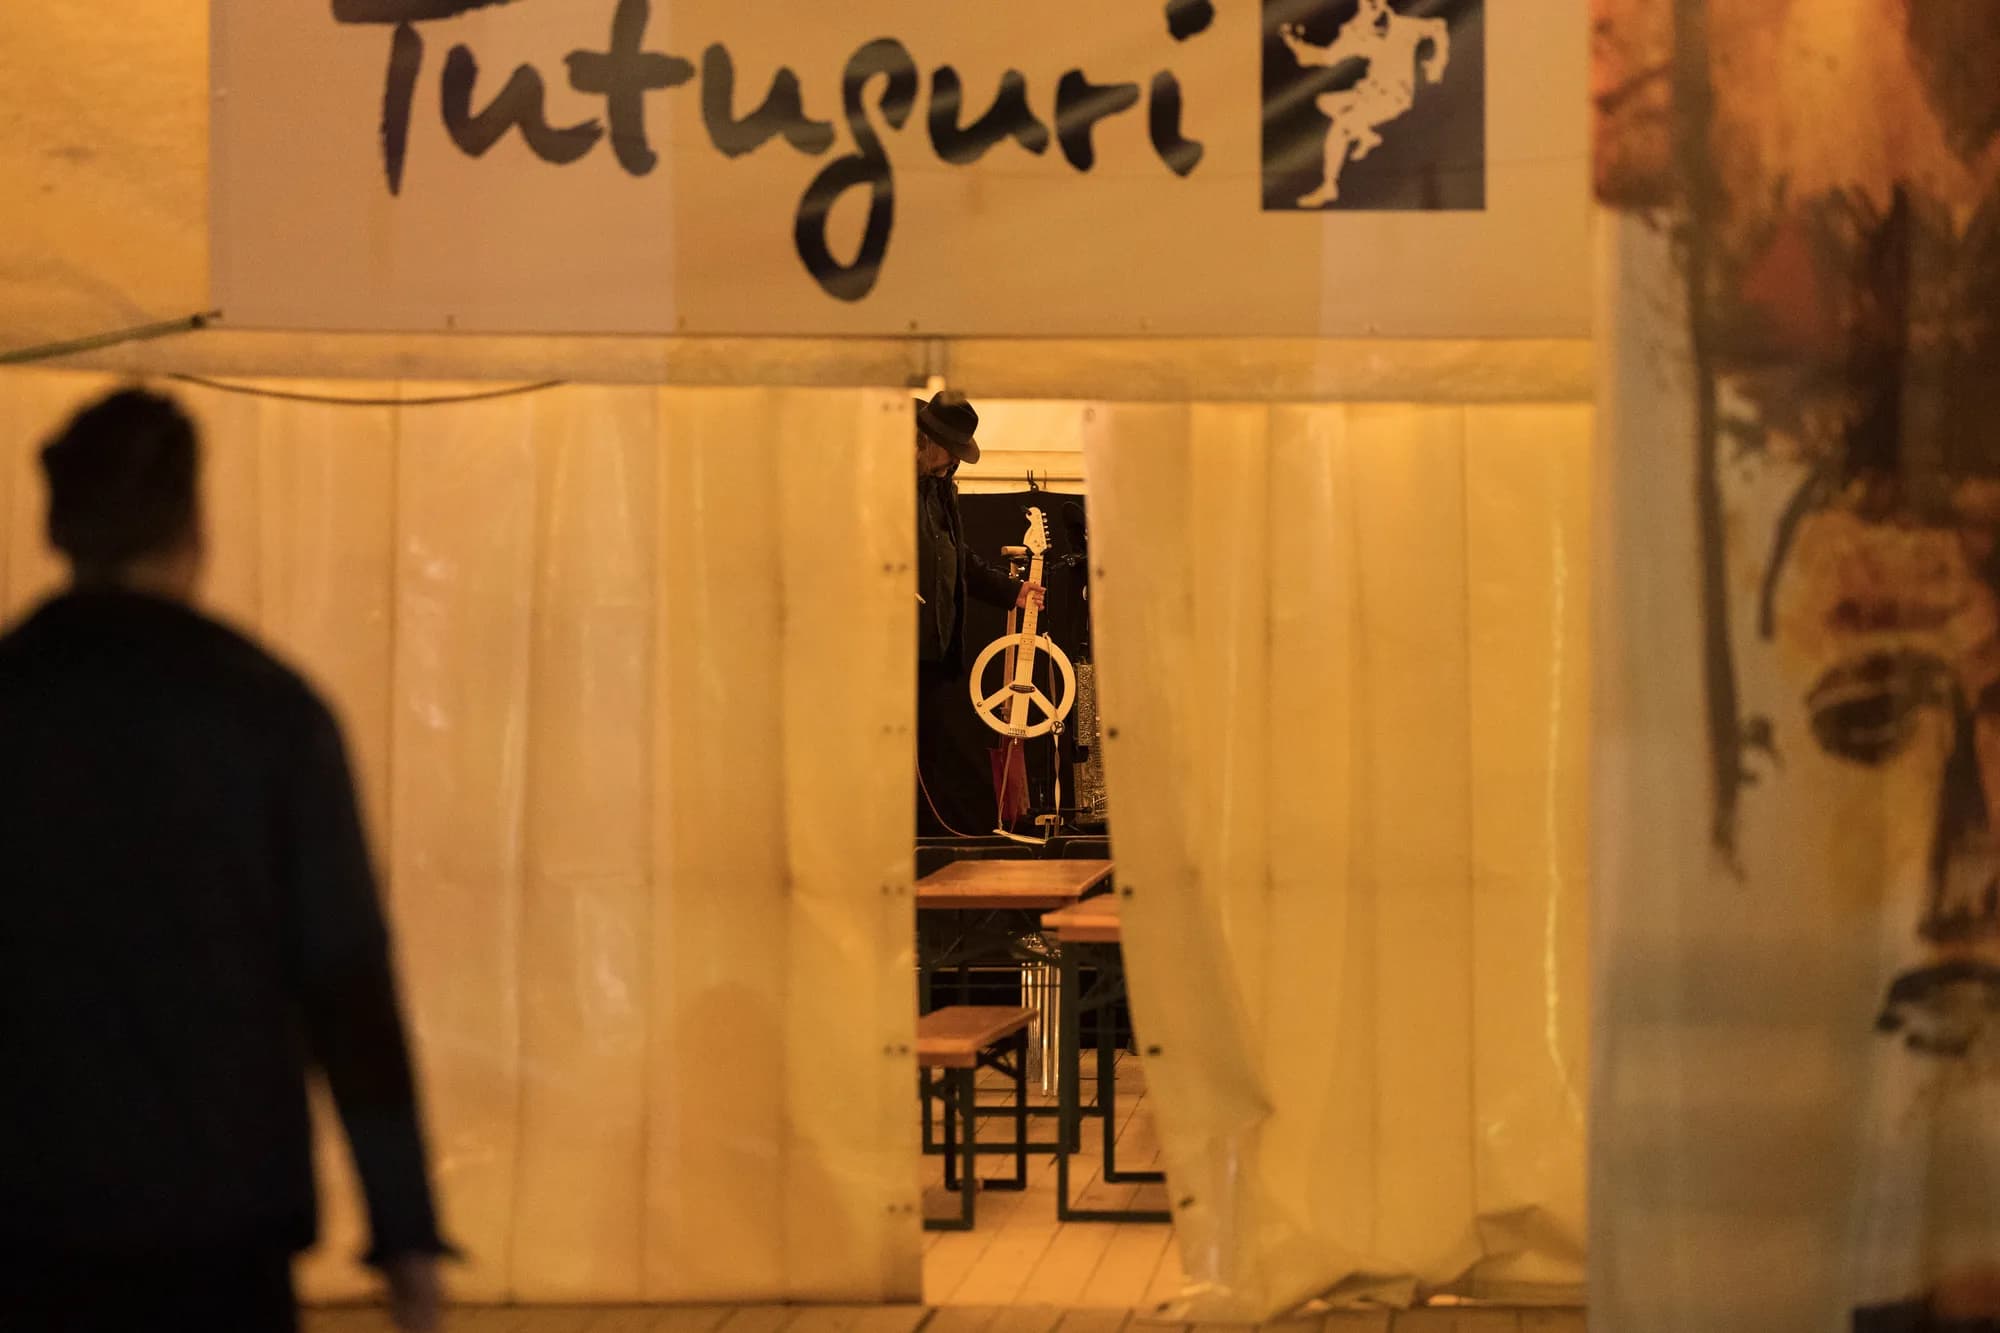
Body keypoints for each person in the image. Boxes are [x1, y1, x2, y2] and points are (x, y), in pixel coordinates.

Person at [0, 388, 451, 1332]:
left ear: (56, 524)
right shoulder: (271, 714)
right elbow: (348, 987)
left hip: (30, 1219)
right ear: (193, 525)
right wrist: (404, 1228)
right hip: (219, 1228)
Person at [914, 389, 1043, 834]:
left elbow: (958, 557)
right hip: (897, 651)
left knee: (935, 751)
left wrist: (1013, 593)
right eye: (950, 453)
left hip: (936, 650)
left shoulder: (940, 490)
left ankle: (934, 844)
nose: (952, 463)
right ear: (927, 442)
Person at [1281, 0, 1450, 207]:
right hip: (1367, 92)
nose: (1372, 10)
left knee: (1341, 126)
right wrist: (1295, 44)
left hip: (1393, 98)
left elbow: (1438, 26)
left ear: (1386, 6)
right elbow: (1324, 58)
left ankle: (1329, 186)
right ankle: (1366, 135)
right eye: (1367, 6)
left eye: (1376, 5)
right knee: (1325, 102)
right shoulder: (1357, 33)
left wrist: (1438, 62)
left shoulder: (1406, 27)